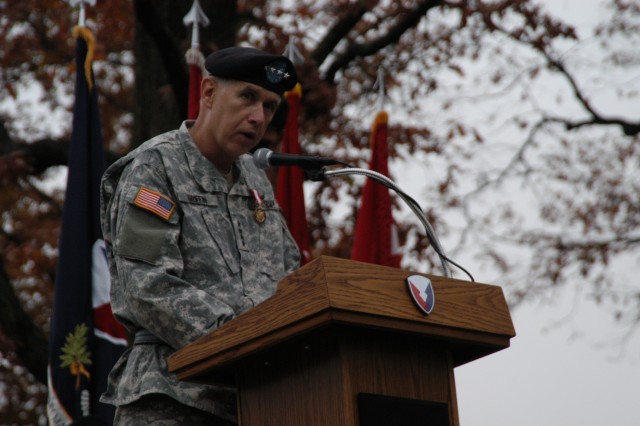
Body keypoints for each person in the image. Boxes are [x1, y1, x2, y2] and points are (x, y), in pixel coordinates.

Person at [99, 46, 301, 425]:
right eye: (247, 97)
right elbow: (146, 285)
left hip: (259, 403)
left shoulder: (257, 182)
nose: (258, 118)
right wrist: (247, 341)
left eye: (270, 106)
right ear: (208, 93)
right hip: (173, 400)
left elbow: (289, 282)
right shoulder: (154, 168)